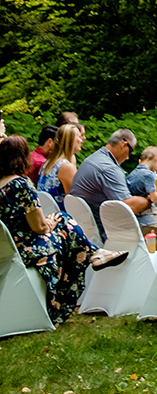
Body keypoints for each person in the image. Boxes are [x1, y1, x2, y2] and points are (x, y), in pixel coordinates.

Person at [0, 134, 103, 323]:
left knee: (64, 224)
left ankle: (95, 254)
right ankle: (62, 300)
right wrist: (50, 223)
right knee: (64, 223)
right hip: (26, 248)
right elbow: (39, 227)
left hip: (7, 246)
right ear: (23, 157)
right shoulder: (21, 185)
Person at [69, 128, 151, 235]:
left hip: (84, 226)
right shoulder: (109, 168)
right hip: (104, 230)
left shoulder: (92, 159)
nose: (127, 158)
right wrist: (150, 200)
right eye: (130, 151)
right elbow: (126, 207)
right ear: (124, 145)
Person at [128, 143, 157, 243]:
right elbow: (154, 198)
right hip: (143, 214)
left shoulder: (133, 172)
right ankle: (153, 256)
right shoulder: (148, 175)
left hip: (134, 214)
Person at [38, 123, 84, 208]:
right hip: (60, 217)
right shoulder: (66, 167)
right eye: (79, 136)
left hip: (47, 214)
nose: (81, 140)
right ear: (70, 140)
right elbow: (75, 201)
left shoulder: (48, 163)